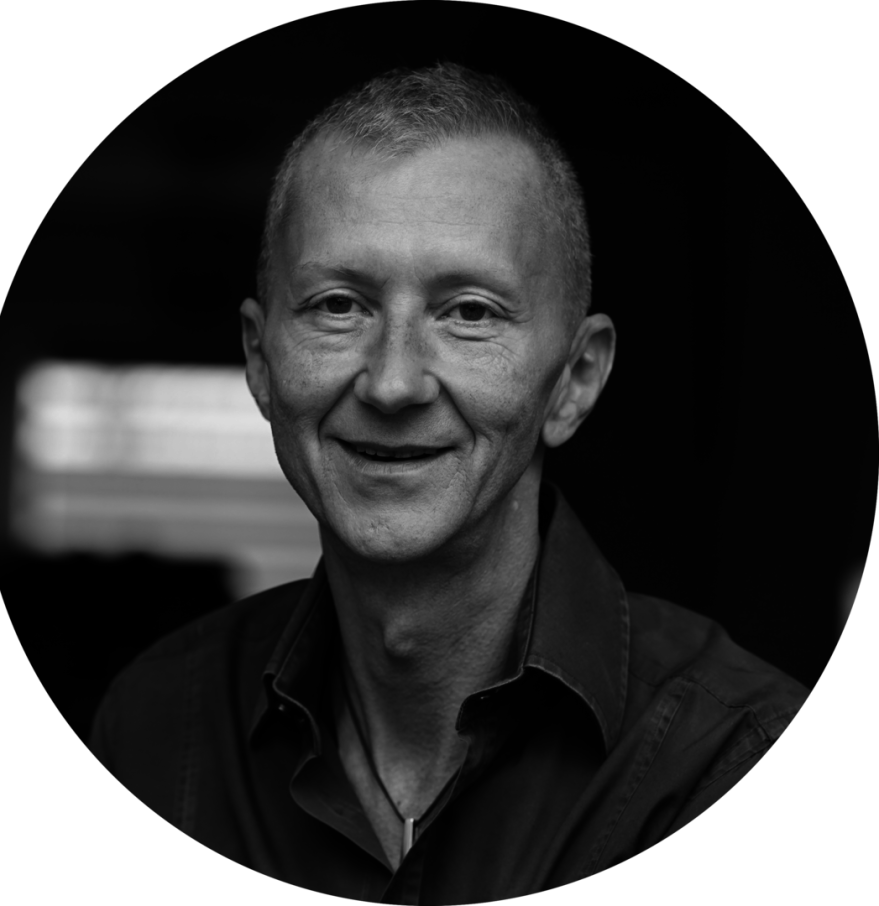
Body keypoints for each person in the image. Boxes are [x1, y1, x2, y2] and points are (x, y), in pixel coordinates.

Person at [87, 62, 811, 900]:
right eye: (338, 305)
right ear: (260, 362)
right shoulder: (155, 730)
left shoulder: (731, 757)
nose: (393, 383)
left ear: (575, 381)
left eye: (469, 312)